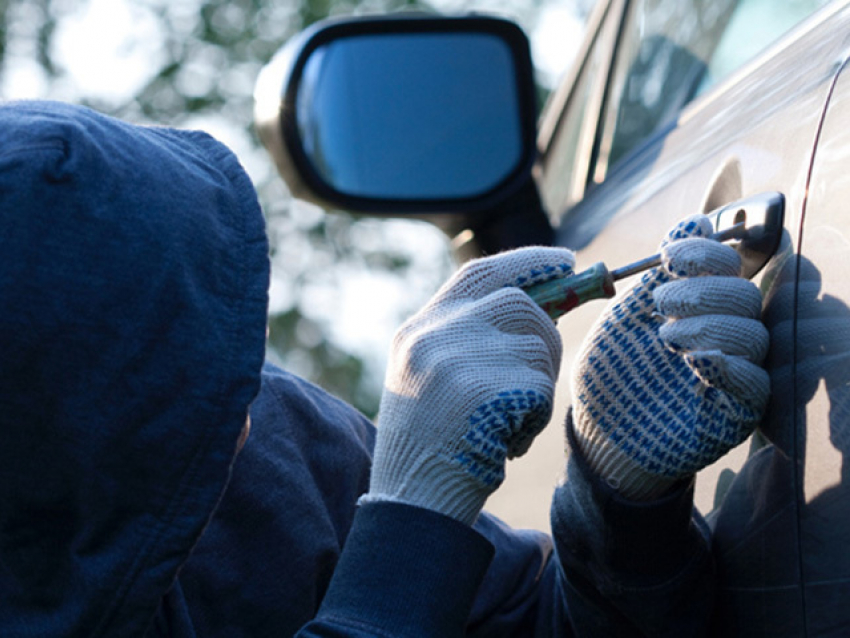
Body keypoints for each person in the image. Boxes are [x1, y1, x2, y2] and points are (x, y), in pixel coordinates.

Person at [0, 100, 768, 637]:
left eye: (202, 331)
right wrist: (409, 527)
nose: (231, 402)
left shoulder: (262, 451)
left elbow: (538, 625)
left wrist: (619, 502)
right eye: (148, 375)